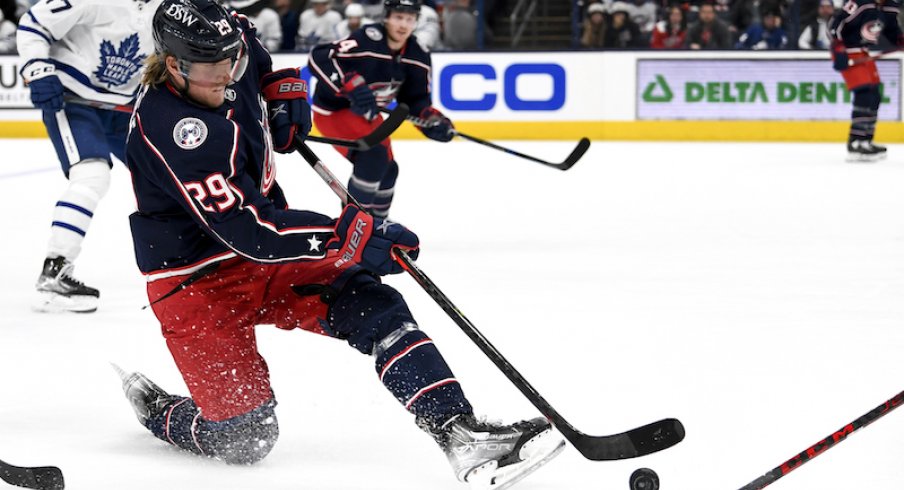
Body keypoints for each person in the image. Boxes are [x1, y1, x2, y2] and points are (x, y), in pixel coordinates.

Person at [120, 0, 564, 487]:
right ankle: (161, 412)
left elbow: (256, 54)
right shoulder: (173, 129)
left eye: (232, 60)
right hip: (196, 283)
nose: (226, 75)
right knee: (246, 439)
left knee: (376, 306)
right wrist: (353, 236)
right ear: (172, 65)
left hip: (269, 256)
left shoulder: (227, 42)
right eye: (210, 68)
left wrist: (278, 88)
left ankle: (460, 433)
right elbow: (251, 231)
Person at [16, 0, 159, 312]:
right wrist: (38, 69)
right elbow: (34, 23)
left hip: (126, 109)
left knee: (165, 178)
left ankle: (191, 262)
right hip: (73, 99)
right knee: (92, 174)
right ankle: (55, 270)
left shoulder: (170, 6)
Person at [307, 0, 455, 218]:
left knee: (388, 170)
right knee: (373, 157)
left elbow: (415, 101)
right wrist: (349, 85)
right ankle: (352, 225)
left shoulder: (418, 54)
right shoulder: (367, 38)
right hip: (333, 112)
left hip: (367, 115)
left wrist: (432, 120)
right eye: (398, 17)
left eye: (409, 19)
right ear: (386, 17)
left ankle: (377, 225)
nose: (403, 24)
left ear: (416, 22)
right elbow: (319, 57)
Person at [829, 0, 902, 161]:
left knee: (874, 94)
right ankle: (856, 141)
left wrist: (900, 40)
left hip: (863, 52)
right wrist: (838, 47)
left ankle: (866, 139)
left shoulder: (890, 7)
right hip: (847, 51)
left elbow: (891, 30)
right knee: (864, 92)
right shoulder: (859, 3)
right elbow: (835, 24)